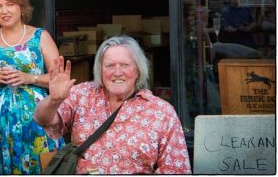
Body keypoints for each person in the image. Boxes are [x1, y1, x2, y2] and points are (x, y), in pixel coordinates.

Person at [34, 35, 192, 174]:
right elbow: (42, 119)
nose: (117, 72)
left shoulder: (161, 112)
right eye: (109, 65)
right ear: (100, 70)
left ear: (138, 70)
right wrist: (53, 100)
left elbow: (176, 170)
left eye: (125, 65)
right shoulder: (82, 94)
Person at [0, 0, 65, 174]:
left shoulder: (40, 36)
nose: (4, 10)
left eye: (10, 4)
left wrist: (29, 78)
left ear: (21, 6)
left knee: (43, 167)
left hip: (38, 118)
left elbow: (59, 79)